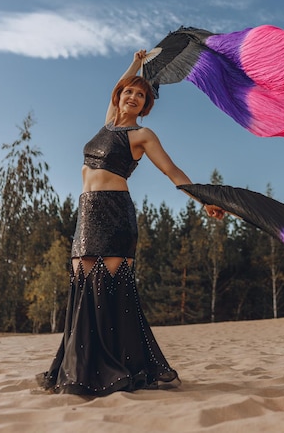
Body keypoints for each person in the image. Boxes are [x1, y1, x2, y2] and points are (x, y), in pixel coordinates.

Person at [37, 50, 224, 395]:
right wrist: (137, 63)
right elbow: (119, 82)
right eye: (129, 92)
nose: (134, 97)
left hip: (114, 213)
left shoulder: (143, 136)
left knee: (110, 291)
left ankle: (119, 369)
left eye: (141, 95)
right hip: (86, 212)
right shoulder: (107, 123)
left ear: (146, 105)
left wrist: (203, 200)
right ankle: (80, 369)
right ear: (118, 97)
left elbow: (172, 171)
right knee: (82, 287)